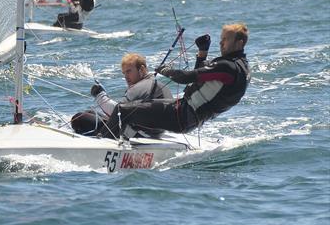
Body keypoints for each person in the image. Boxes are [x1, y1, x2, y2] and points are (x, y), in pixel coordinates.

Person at [100, 24, 250, 139]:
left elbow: (185, 78)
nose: (221, 43)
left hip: (181, 115)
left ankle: (102, 145)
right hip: (189, 117)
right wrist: (202, 53)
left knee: (122, 110)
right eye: (221, 39)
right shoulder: (242, 68)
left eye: (226, 39)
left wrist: (165, 70)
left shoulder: (227, 67)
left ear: (240, 43)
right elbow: (199, 82)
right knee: (132, 112)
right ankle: (120, 139)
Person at [71, 53, 173, 137]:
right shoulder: (159, 85)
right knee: (90, 112)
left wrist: (100, 96)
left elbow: (119, 113)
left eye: (129, 71)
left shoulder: (139, 88)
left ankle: (98, 138)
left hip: (138, 135)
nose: (126, 77)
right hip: (155, 133)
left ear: (141, 70)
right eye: (124, 73)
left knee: (79, 118)